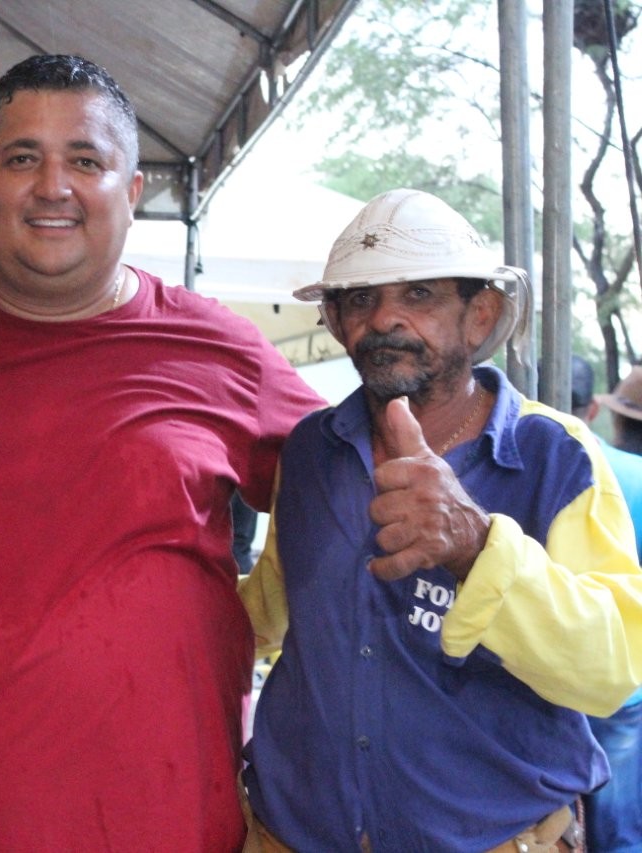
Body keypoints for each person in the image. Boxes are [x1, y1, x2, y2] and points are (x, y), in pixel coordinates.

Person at [0, 54, 324, 850]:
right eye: (21, 159)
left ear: (131, 192)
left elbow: (356, 497)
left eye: (84, 160)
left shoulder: (220, 349)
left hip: (174, 826)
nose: (53, 187)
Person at [239, 187, 642, 850]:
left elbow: (612, 669)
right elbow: (273, 604)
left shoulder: (554, 455)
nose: (383, 318)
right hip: (291, 832)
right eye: (359, 300)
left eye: (419, 294)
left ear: (479, 316)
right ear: (335, 321)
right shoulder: (311, 449)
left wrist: (477, 547)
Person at [573, 357, 642, 851]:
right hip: (625, 688)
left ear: (613, 414)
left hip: (551, 670)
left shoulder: (558, 463)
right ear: (595, 409)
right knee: (617, 831)